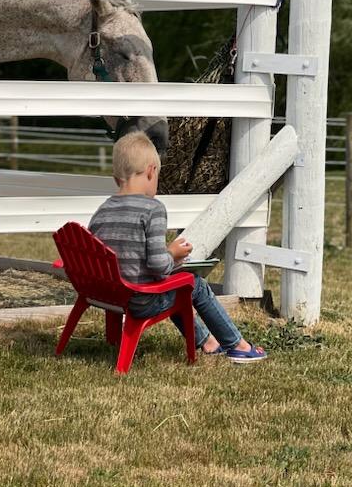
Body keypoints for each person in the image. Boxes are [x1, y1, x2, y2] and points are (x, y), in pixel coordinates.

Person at [88, 131, 267, 364]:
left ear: (115, 178)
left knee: (176, 284)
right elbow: (157, 267)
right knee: (194, 285)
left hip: (108, 295)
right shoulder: (152, 209)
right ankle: (238, 345)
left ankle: (209, 343)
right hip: (140, 301)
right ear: (152, 171)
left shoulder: (103, 210)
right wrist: (172, 254)